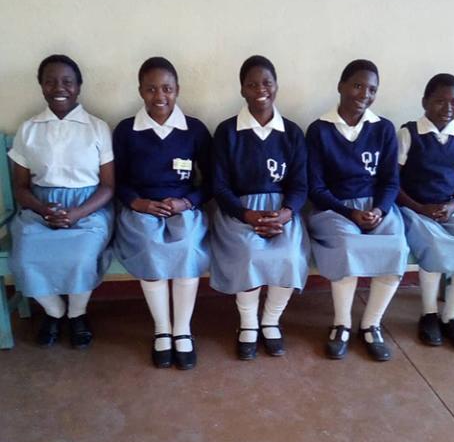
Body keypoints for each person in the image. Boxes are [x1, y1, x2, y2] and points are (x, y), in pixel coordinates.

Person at [9, 54, 114, 349]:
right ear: (41, 86)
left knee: (81, 255)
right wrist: (43, 210)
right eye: (50, 81)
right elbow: (20, 186)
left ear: (78, 87)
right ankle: (55, 312)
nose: (59, 88)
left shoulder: (97, 127)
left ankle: (78, 314)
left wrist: (78, 213)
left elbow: (108, 186)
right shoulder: (28, 129)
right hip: (40, 207)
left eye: (67, 81)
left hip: (89, 207)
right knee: (24, 256)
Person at [113, 57, 211, 370]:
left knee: (186, 244)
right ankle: (162, 329)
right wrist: (137, 202)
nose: (160, 96)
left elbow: (211, 182)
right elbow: (118, 180)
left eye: (167, 88)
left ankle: (182, 329)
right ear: (140, 91)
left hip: (183, 207)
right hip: (141, 208)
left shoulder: (194, 130)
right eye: (151, 89)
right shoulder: (127, 131)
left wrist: (188, 202)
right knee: (148, 244)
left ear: (177, 90)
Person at [307, 59, 408, 361]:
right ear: (341, 86)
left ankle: (371, 325)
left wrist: (380, 209)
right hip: (333, 209)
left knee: (396, 247)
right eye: (358, 85)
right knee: (347, 247)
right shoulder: (319, 130)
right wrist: (348, 212)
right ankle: (341, 324)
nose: (365, 93)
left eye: (372, 89)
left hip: (375, 207)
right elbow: (316, 188)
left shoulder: (384, 129)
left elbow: (390, 181)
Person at [211, 55, 309, 360]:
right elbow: (219, 186)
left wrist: (287, 212)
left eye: (267, 82)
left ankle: (271, 321)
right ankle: (249, 324)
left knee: (289, 255)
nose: (260, 89)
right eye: (252, 84)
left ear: (276, 86)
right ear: (242, 90)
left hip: (281, 210)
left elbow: (300, 184)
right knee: (247, 254)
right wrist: (246, 215)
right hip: (239, 211)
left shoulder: (292, 133)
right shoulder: (227, 132)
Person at [398, 73, 454, 353]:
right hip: (414, 208)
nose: (447, 107)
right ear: (425, 102)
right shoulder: (409, 134)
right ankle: (429, 313)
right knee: (433, 243)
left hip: (448, 208)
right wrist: (421, 208)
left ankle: (451, 317)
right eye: (439, 101)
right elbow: (393, 184)